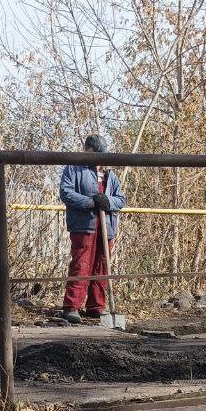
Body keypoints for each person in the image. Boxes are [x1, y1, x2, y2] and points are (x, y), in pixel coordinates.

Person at [59, 135, 125, 324]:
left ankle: (96, 306)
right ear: (88, 150)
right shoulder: (74, 168)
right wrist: (90, 202)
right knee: (81, 264)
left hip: (107, 227)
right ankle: (72, 306)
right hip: (84, 224)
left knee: (102, 265)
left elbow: (120, 199)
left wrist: (108, 201)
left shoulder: (111, 174)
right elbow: (66, 193)